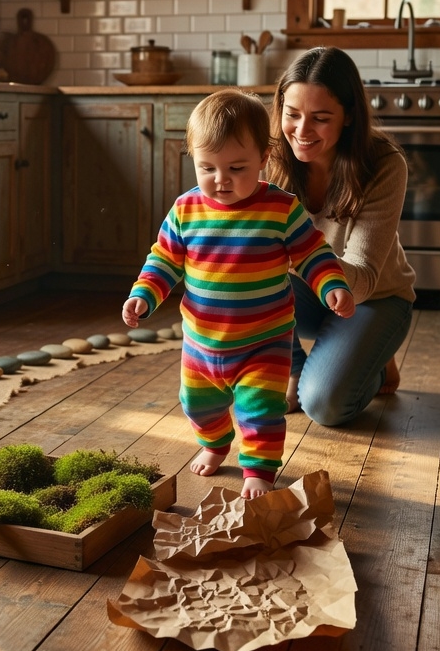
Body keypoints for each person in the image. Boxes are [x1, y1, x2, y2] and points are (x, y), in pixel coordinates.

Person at [123, 89, 354, 499]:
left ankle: (258, 471)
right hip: (201, 345)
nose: (221, 179)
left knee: (261, 412)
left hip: (263, 342)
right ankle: (214, 444)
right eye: (207, 167)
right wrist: (144, 294)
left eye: (236, 167)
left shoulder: (281, 208)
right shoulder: (185, 210)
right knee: (198, 406)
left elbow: (312, 252)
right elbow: (164, 259)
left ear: (264, 158)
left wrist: (332, 284)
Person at [267, 47, 416, 425]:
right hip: (306, 293)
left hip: (373, 298)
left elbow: (363, 279)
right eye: (293, 114)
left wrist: (295, 254)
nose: (301, 131)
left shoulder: (384, 164)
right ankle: (296, 367)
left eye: (320, 118)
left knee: (324, 406)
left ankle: (375, 359)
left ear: (348, 117)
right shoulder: (268, 155)